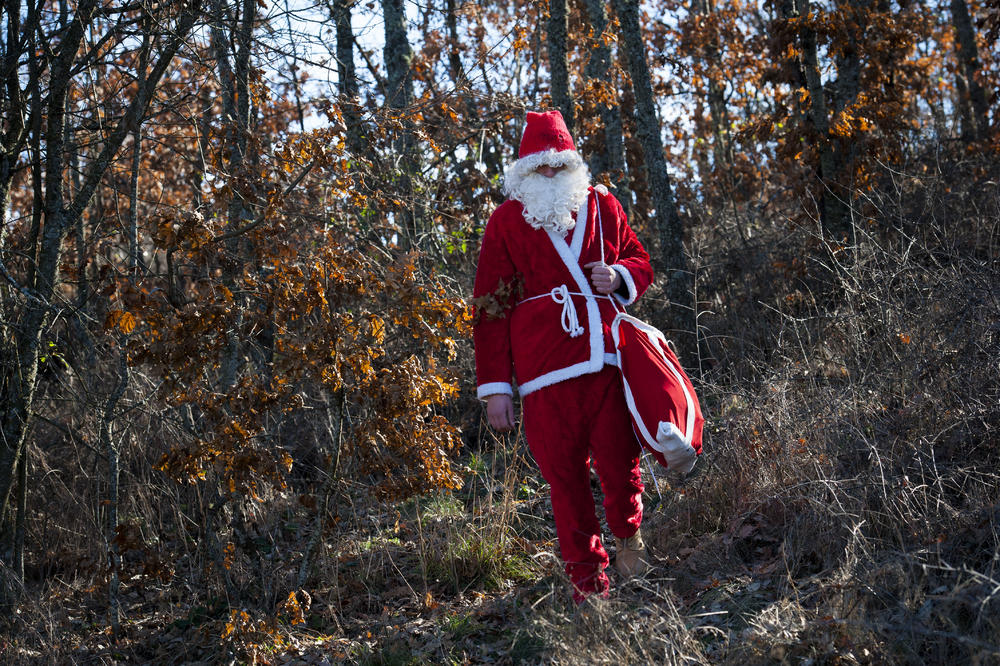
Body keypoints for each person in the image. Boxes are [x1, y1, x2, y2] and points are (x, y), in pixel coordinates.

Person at [472, 110, 655, 603]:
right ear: (524, 173)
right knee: (565, 481)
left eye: (557, 166)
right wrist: (496, 388)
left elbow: (640, 260)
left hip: (604, 362)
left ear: (572, 165)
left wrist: (619, 277)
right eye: (539, 169)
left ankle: (628, 535)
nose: (549, 176)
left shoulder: (603, 205)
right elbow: (490, 308)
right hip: (541, 374)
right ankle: (588, 586)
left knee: (620, 462)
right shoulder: (506, 221)